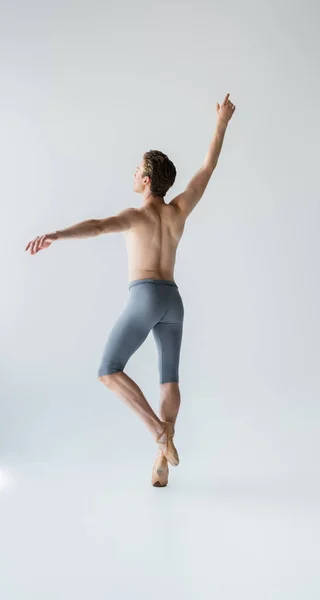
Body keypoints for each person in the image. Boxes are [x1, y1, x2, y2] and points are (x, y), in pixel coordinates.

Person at [25, 93, 236, 486]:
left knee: (108, 369)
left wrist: (56, 234)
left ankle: (159, 432)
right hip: (173, 300)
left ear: (146, 180)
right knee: (169, 379)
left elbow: (97, 225)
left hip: (145, 296)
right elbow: (208, 167)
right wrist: (221, 122)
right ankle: (161, 457)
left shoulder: (136, 215)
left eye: (137, 168)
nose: (134, 171)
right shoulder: (179, 210)